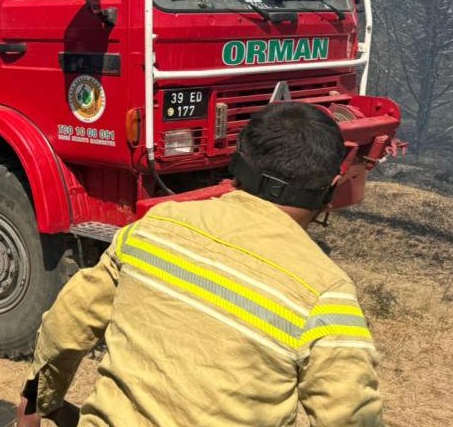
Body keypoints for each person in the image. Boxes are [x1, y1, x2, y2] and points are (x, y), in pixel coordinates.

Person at [20, 101, 384, 427]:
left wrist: (39, 402)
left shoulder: (153, 228)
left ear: (238, 161)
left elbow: (66, 324)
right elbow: (351, 416)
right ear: (332, 187)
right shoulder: (325, 294)